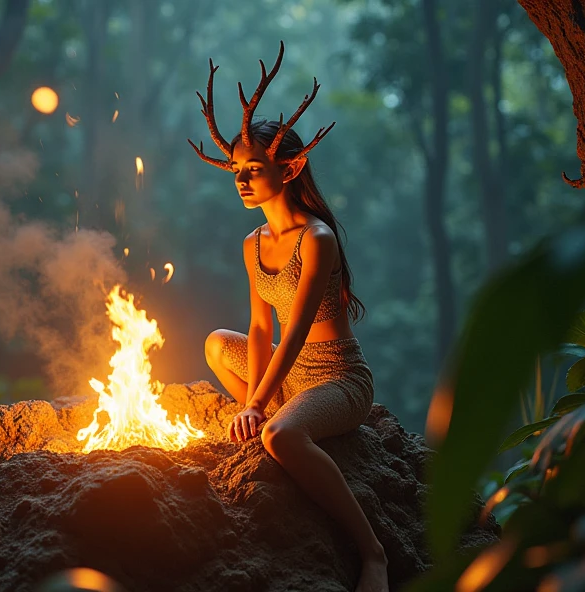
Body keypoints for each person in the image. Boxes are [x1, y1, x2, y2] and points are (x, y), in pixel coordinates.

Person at [189, 42, 390, 592]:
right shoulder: (253, 244)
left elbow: (295, 333)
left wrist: (255, 403)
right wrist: (256, 395)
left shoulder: (317, 239)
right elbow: (258, 330)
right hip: (286, 376)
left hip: (337, 378)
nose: (242, 180)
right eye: (236, 170)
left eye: (254, 168)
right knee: (215, 343)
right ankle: (278, 422)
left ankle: (373, 553)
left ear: (291, 165)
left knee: (277, 437)